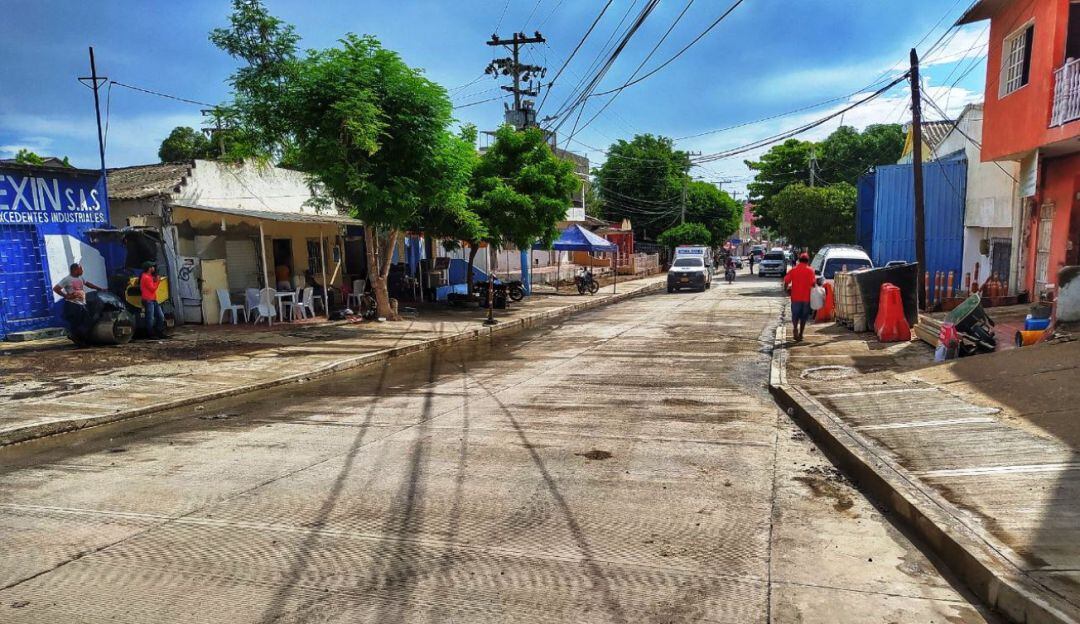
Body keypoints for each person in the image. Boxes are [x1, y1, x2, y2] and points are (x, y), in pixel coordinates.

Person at [53, 262, 105, 338]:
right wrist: (66, 296)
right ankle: (76, 337)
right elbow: (56, 288)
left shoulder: (80, 278)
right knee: (76, 322)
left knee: (87, 320)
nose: (82, 271)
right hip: (73, 304)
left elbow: (88, 284)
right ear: (75, 270)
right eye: (81, 269)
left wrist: (99, 288)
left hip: (82, 304)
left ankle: (81, 337)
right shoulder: (67, 279)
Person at [783, 253, 817, 342]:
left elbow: (786, 280)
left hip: (795, 297)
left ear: (799, 260)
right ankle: (801, 334)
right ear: (807, 261)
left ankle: (795, 328)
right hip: (806, 298)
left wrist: (786, 289)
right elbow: (813, 283)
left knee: (795, 315)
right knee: (804, 316)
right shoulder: (811, 271)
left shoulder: (794, 270)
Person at [140, 261, 167, 339]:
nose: (154, 268)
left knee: (160, 316)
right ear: (149, 268)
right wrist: (158, 281)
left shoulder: (147, 276)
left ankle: (159, 332)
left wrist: (155, 279)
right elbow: (152, 288)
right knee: (150, 317)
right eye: (152, 267)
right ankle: (151, 334)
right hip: (148, 300)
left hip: (152, 299)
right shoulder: (146, 277)